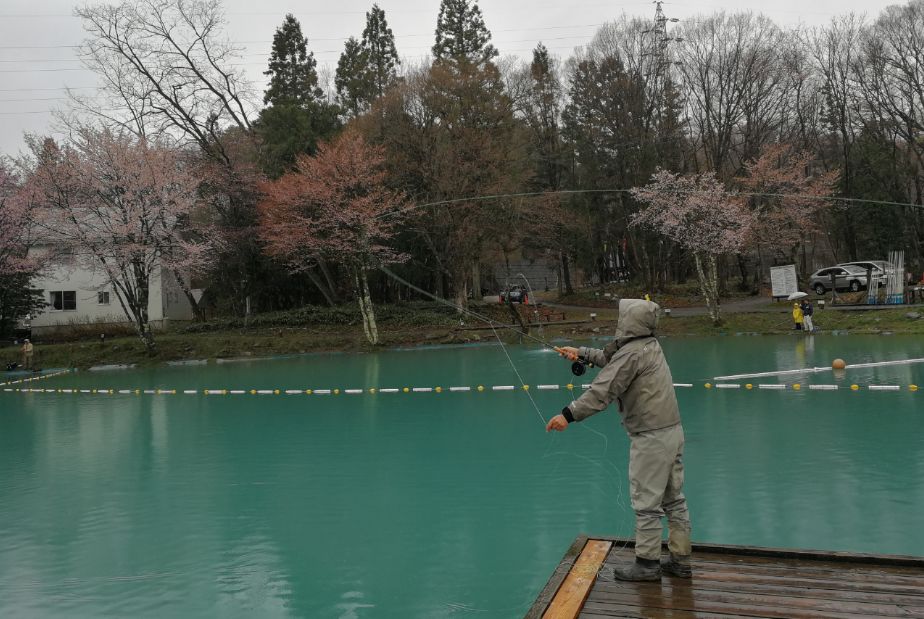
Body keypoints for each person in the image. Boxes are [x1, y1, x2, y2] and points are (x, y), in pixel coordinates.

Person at [548, 299, 692, 582]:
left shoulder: (633, 353)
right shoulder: (648, 345)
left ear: (629, 321)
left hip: (651, 437)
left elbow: (603, 389)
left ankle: (647, 565)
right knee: (674, 500)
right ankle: (680, 560)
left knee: (646, 503)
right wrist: (582, 353)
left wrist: (568, 415)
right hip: (672, 431)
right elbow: (614, 359)